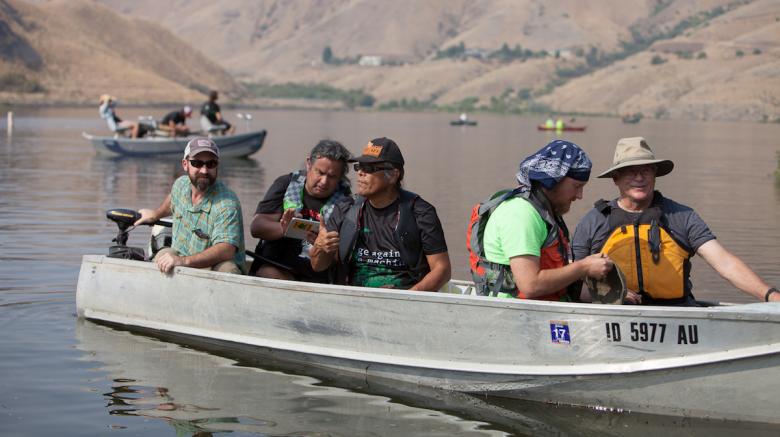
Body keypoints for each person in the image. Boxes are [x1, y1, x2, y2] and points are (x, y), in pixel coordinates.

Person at [572, 137, 779, 305]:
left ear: (655, 175)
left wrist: (770, 295)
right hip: (615, 316)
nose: (639, 177)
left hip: (677, 316)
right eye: (630, 170)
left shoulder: (682, 217)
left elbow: (724, 262)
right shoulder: (593, 221)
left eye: (646, 170)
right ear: (615, 178)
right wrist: (614, 296)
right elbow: (573, 283)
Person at [467, 140, 612, 301]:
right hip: (513, 316)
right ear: (554, 179)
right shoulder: (521, 214)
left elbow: (556, 281)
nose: (580, 195)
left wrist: (606, 295)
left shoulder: (543, 211)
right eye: (577, 186)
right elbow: (530, 285)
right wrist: (584, 267)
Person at [310, 137, 451, 291]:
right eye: (360, 167)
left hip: (405, 300)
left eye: (370, 168)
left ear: (393, 174)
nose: (361, 173)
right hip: (354, 299)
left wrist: (409, 297)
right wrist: (320, 247)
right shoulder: (345, 208)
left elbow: (442, 270)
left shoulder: (421, 213)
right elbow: (318, 266)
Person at [134, 137, 245, 274]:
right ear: (185, 164)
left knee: (228, 268)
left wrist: (183, 261)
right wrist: (155, 214)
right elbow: (172, 200)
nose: (204, 170)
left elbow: (226, 249)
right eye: (197, 163)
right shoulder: (180, 185)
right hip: (182, 255)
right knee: (162, 257)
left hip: (212, 266)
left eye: (211, 164)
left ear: (217, 165)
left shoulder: (227, 204)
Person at [249, 140, 352, 282]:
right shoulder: (285, 184)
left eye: (332, 176)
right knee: (269, 273)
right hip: (277, 269)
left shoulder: (345, 202)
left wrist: (322, 245)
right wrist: (283, 229)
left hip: (316, 277)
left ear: (340, 177)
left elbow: (343, 254)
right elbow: (256, 227)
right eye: (320, 172)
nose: (324, 181)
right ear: (309, 163)